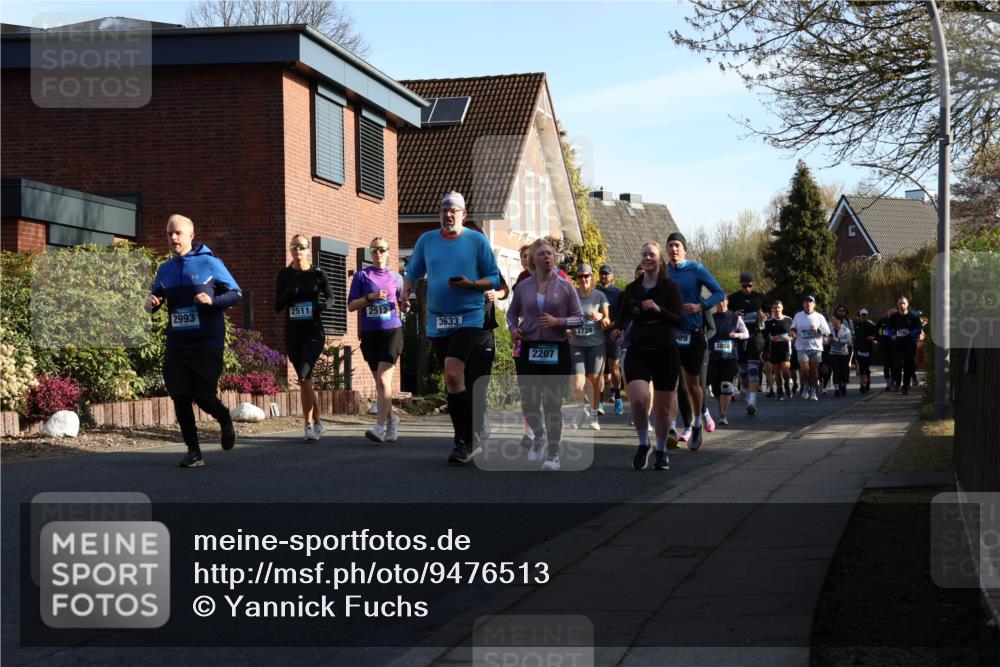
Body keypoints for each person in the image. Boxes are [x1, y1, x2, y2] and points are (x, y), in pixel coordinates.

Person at [401, 192, 501, 465]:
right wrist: (405, 292)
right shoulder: (427, 240)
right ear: (439, 213)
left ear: (464, 215)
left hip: (470, 317)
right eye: (445, 209)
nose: (449, 214)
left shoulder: (476, 241)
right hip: (438, 318)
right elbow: (412, 272)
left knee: (452, 372)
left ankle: (463, 442)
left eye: (454, 210)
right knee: (455, 381)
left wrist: (471, 284)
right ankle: (472, 433)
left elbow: (494, 277)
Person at [146, 214, 241, 468]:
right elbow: (156, 296)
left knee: (204, 396)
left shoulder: (210, 263)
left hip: (207, 341)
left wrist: (213, 301)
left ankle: (224, 419)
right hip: (177, 342)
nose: (173, 238)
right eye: (169, 234)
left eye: (177, 233)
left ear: (191, 235)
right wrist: (151, 303)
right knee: (179, 394)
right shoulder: (164, 269)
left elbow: (235, 293)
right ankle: (193, 451)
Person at [506, 239, 584, 471]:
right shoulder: (523, 287)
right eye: (542, 254)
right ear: (533, 260)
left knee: (552, 404)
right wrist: (513, 329)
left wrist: (558, 322)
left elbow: (579, 318)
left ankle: (552, 454)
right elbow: (511, 314)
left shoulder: (566, 286)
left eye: (550, 253)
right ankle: (538, 434)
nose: (548, 257)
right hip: (530, 348)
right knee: (529, 402)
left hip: (556, 348)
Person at [609, 242, 684, 471]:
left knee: (662, 408)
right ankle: (644, 443)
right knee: (639, 400)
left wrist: (659, 310)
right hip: (638, 351)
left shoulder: (669, 288)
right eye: (644, 254)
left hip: (665, 351)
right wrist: (616, 330)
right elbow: (621, 318)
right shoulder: (631, 289)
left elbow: (679, 319)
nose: (647, 258)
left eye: (651, 254)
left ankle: (661, 450)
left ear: (660, 260)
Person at [666, 231, 725, 451]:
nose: (673, 249)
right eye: (670, 246)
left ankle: (698, 423)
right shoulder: (664, 272)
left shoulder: (696, 269)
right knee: (671, 384)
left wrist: (701, 306)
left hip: (692, 334)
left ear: (684, 249)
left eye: (677, 246)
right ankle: (672, 428)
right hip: (671, 334)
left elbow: (719, 293)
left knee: (693, 384)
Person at [275, 234, 334, 442]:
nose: (297, 250)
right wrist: (290, 291)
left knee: (303, 374)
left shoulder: (318, 273)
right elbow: (277, 306)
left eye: (301, 246)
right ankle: (318, 421)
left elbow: (331, 297)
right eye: (294, 246)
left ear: (308, 249)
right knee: (305, 380)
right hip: (293, 333)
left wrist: (320, 307)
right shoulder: (284, 274)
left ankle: (308, 425)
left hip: (314, 331)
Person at [347, 236, 403, 443]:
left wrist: (406, 305)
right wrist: (370, 297)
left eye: (382, 250)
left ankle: (379, 427)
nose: (378, 253)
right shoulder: (362, 276)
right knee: (380, 385)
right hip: (370, 334)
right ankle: (392, 419)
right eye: (374, 250)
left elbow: (401, 303)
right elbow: (351, 306)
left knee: (382, 380)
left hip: (392, 331)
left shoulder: (396, 278)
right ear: (371, 254)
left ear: (388, 252)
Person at [568, 263, 610, 430]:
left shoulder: (600, 296)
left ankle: (594, 416)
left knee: (593, 381)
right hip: (576, 344)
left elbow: (608, 322)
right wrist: (566, 328)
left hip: (596, 344)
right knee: (577, 383)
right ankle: (581, 410)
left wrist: (600, 317)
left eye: (586, 276)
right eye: (580, 276)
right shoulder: (572, 295)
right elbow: (566, 317)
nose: (583, 279)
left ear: (592, 278)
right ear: (577, 278)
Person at [727, 272, 769, 415]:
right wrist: (733, 315)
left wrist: (764, 316)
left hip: (755, 336)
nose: (747, 289)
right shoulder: (733, 298)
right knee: (743, 372)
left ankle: (752, 401)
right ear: (741, 284)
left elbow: (768, 314)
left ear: (753, 284)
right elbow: (725, 316)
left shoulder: (760, 297)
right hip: (739, 338)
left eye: (750, 286)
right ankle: (746, 392)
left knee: (753, 368)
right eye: (744, 286)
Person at [707, 297, 748, 425]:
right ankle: (721, 406)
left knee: (726, 385)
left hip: (730, 357)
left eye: (723, 301)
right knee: (715, 389)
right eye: (718, 301)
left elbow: (746, 333)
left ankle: (723, 414)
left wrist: (737, 335)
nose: (721, 303)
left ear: (727, 302)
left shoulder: (735, 317)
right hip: (714, 357)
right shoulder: (710, 318)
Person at [596, 264, 625, 415]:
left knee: (614, 369)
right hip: (598, 334)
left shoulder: (618, 293)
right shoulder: (595, 291)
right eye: (602, 273)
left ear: (612, 276)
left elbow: (622, 315)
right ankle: (600, 402)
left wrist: (613, 324)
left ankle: (618, 398)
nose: (604, 276)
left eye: (607, 274)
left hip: (613, 334)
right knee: (599, 370)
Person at [791, 296, 831, 401]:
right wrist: (792, 332)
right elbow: (793, 328)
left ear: (814, 304)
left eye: (810, 302)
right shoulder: (798, 316)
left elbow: (827, 332)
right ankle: (805, 386)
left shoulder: (819, 317)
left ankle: (813, 391)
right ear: (803, 304)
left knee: (814, 370)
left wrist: (818, 329)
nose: (808, 304)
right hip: (802, 347)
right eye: (806, 302)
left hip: (816, 348)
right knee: (804, 369)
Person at [888, 296, 922, 395]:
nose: (902, 305)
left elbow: (918, 330)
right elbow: (889, 330)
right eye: (900, 303)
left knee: (908, 366)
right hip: (897, 344)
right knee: (897, 365)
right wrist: (891, 335)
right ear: (897, 304)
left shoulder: (913, 317)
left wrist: (910, 333)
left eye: (904, 303)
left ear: (907, 304)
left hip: (909, 344)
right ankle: (897, 383)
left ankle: (906, 386)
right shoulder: (894, 318)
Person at [763, 300, 794, 400]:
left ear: (782, 308)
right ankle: (779, 391)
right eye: (775, 308)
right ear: (772, 309)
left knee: (785, 369)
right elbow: (764, 335)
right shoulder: (768, 322)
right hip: (774, 349)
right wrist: (771, 338)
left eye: (778, 307)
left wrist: (790, 338)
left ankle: (787, 386)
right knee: (776, 371)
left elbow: (794, 333)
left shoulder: (789, 320)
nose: (777, 309)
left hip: (786, 348)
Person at [828, 313, 853, 396]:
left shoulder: (846, 330)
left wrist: (838, 340)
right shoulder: (830, 329)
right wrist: (828, 341)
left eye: (834, 319)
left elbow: (849, 341)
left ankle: (843, 385)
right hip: (833, 353)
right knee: (836, 370)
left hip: (843, 353)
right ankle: (837, 388)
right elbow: (826, 340)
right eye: (832, 319)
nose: (832, 321)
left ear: (839, 320)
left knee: (843, 370)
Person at [853, 308, 877, 393]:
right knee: (861, 367)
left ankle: (868, 381)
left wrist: (873, 338)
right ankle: (862, 384)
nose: (863, 317)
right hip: (858, 348)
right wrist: (853, 337)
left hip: (867, 349)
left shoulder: (871, 325)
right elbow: (852, 335)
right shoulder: (856, 325)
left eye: (865, 315)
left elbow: (876, 335)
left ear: (867, 316)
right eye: (862, 315)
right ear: (859, 316)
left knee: (866, 367)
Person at [876, 307, 897, 391]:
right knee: (886, 365)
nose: (892, 315)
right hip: (884, 346)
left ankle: (893, 381)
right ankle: (888, 383)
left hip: (895, 347)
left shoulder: (898, 322)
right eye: (890, 313)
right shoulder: (882, 321)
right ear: (887, 312)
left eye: (894, 314)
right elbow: (876, 332)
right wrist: (879, 339)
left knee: (894, 365)